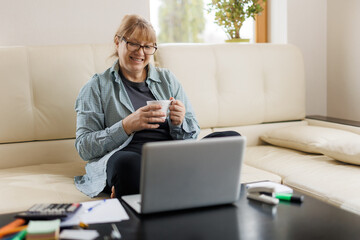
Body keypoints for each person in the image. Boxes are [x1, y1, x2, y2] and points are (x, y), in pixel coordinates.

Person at [74, 14, 239, 199]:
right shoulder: (96, 87)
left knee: (230, 140)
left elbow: (192, 133)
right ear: (117, 42)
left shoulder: (166, 79)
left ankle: (157, 184)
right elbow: (84, 147)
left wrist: (179, 122)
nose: (141, 52)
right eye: (133, 43)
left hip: (170, 157)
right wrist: (126, 126)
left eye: (147, 46)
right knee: (127, 165)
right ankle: (181, 183)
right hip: (129, 156)